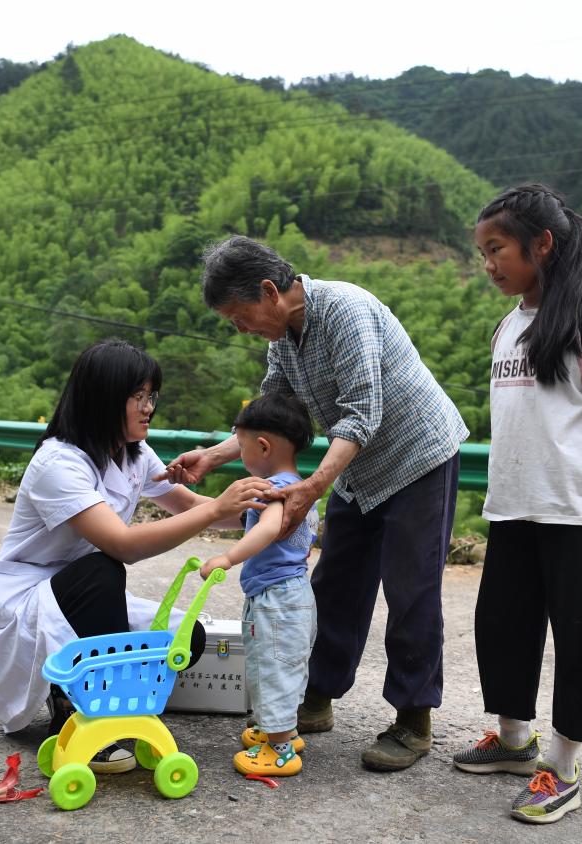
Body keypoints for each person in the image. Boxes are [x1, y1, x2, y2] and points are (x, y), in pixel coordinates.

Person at [162, 235, 469, 772]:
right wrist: (213, 456)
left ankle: (413, 719)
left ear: (268, 291)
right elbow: (272, 417)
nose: (243, 329)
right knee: (334, 583)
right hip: (354, 469)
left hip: (418, 458)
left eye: (241, 317)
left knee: (410, 589)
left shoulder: (345, 310)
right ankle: (315, 697)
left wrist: (312, 487)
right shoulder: (283, 337)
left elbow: (361, 415)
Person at [0, 339, 271, 775]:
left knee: (190, 637)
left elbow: (188, 506)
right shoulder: (59, 463)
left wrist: (259, 509)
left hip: (83, 594)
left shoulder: (133, 452)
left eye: (152, 396)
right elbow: (123, 545)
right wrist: (218, 507)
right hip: (25, 602)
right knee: (103, 569)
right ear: (104, 397)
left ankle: (110, 694)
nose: (149, 408)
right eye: (139, 397)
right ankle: (78, 707)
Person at [452, 184, 582, 824]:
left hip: (574, 511)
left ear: (544, 244)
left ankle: (560, 767)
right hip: (512, 507)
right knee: (503, 627)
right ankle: (513, 741)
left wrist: (580, 463)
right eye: (483, 251)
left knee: (578, 639)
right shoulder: (508, 326)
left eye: (498, 248)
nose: (489, 264)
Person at [197, 393, 320, 778]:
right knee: (279, 664)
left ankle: (281, 749)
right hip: (286, 595)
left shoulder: (277, 491)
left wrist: (228, 558)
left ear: (262, 446)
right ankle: (279, 732)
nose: (241, 454)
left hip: (277, 601)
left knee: (273, 668)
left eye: (242, 445)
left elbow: (268, 529)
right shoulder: (296, 486)